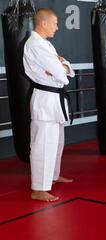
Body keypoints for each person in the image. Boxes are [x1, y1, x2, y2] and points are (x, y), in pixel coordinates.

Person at [23, 8, 75, 202]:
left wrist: (61, 65)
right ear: (43, 23)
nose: (57, 27)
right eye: (55, 23)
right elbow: (61, 73)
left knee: (57, 142)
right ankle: (38, 188)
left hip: (54, 100)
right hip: (45, 100)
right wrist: (60, 67)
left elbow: (67, 70)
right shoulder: (36, 45)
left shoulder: (45, 44)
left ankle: (52, 176)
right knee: (43, 145)